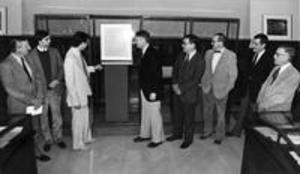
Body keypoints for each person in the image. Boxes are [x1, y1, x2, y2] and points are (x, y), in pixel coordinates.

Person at [0, 37, 50, 161]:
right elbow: (10, 89)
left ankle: (36, 152)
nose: (29, 48)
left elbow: (37, 78)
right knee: (21, 133)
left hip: (34, 104)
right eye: (26, 46)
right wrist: (31, 100)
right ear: (17, 48)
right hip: (18, 105)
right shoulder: (5, 65)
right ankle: (23, 159)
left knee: (34, 129)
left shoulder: (27, 59)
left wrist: (39, 96)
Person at [28, 30, 66, 152]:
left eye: (49, 39)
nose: (49, 41)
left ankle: (58, 137)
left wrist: (57, 80)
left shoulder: (54, 52)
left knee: (57, 115)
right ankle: (48, 139)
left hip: (54, 89)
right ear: (39, 41)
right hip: (41, 92)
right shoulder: (31, 55)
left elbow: (61, 68)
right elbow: (32, 75)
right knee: (43, 117)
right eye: (46, 39)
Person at [64, 31, 102, 150]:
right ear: (81, 42)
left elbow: (83, 69)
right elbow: (69, 81)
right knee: (78, 120)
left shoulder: (78, 54)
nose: (87, 45)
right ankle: (78, 143)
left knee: (85, 117)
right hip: (76, 94)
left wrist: (94, 68)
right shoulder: (70, 57)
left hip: (83, 91)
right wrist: (75, 99)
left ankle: (86, 138)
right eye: (86, 42)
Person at [229, 33, 274, 136]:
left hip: (258, 90)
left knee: (255, 114)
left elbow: (268, 77)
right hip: (247, 88)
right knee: (242, 110)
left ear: (263, 45)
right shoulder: (251, 54)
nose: (253, 45)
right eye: (253, 43)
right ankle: (236, 131)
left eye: (256, 44)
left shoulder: (270, 58)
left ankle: (254, 135)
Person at [166, 34, 205, 149]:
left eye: (185, 43)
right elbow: (175, 71)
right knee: (177, 115)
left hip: (189, 94)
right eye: (183, 43)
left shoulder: (200, 60)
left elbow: (196, 79)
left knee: (189, 118)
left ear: (193, 45)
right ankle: (177, 134)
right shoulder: (181, 55)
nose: (182, 45)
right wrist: (174, 84)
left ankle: (188, 139)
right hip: (177, 91)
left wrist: (181, 89)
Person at [201, 33, 238, 145]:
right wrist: (203, 83)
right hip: (207, 87)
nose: (212, 43)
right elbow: (205, 70)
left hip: (221, 90)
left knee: (220, 115)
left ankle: (219, 136)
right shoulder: (208, 53)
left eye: (214, 41)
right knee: (207, 112)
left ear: (221, 42)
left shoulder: (231, 55)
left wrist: (227, 89)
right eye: (212, 41)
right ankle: (207, 132)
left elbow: (233, 75)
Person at [133, 30, 165, 148]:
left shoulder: (153, 53)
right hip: (145, 88)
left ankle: (157, 139)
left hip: (152, 90)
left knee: (154, 114)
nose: (135, 42)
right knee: (146, 113)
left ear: (143, 40)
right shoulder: (143, 52)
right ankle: (144, 134)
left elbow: (156, 74)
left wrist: (154, 91)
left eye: (137, 40)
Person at [256, 45, 300, 124]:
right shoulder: (275, 69)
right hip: (264, 110)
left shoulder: (294, 74)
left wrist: (263, 105)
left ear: (287, 57)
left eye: (277, 54)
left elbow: (282, 97)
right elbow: (265, 86)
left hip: (278, 113)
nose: (274, 56)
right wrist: (259, 102)